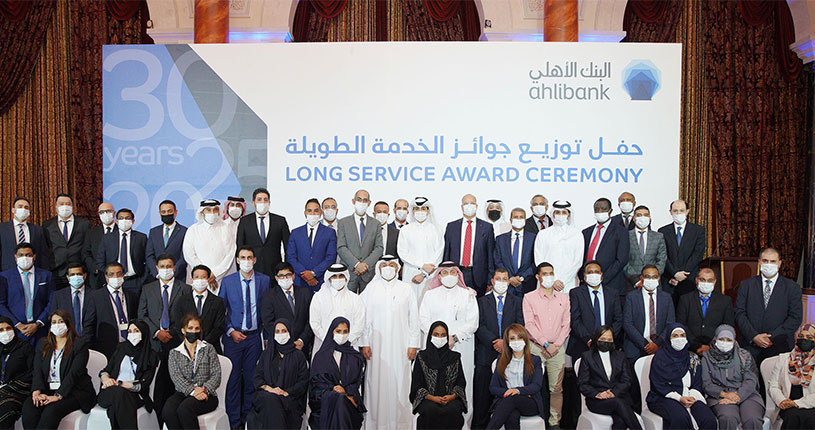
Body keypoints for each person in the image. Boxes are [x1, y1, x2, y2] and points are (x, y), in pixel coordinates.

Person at [359, 255, 421, 430]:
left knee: (401, 384)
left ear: (398, 268)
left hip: (401, 347)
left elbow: (414, 319)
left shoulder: (406, 289)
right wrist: (364, 342)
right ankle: (375, 424)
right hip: (376, 347)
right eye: (384, 264)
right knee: (375, 385)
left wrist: (413, 344)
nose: (388, 268)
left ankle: (401, 425)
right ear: (379, 268)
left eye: (392, 264)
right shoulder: (371, 289)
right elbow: (363, 318)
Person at [419, 262, 479, 424]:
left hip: (461, 346)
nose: (449, 275)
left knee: (462, 382)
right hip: (436, 346)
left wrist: (455, 338)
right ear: (439, 275)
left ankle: (463, 424)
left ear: (458, 274)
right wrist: (440, 339)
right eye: (445, 272)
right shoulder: (430, 295)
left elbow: (473, 322)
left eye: (453, 272)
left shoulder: (467, 294)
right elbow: (423, 319)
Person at [220, 246, 270, 429]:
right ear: (237, 260)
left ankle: (248, 420)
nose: (246, 261)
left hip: (254, 338)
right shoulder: (228, 281)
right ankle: (234, 423)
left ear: (254, 260)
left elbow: (267, 309)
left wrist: (266, 337)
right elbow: (220, 310)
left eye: (250, 257)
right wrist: (230, 330)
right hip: (233, 338)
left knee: (251, 381)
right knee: (233, 382)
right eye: (243, 257)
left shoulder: (264, 280)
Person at [136, 254, 190, 425]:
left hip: (176, 342)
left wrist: (172, 332)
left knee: (173, 385)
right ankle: (156, 422)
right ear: (157, 268)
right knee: (156, 386)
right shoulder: (147, 288)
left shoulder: (185, 288)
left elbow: (188, 317)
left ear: (174, 268)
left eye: (169, 266)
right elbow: (142, 315)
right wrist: (157, 332)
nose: (166, 269)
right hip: (154, 343)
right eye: (162, 266)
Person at [22, 310, 95, 429]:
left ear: (68, 324)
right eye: (54, 322)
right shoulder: (43, 344)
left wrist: (58, 395)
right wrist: (36, 391)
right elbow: (37, 370)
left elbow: (74, 374)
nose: (57, 325)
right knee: (29, 408)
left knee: (51, 412)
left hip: (73, 391)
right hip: (48, 389)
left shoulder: (79, 345)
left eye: (61, 321)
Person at [473, 268, 525, 429]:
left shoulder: (517, 301)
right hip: (486, 352)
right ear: (492, 281)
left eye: (504, 279)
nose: (501, 282)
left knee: (504, 394)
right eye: (498, 278)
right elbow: (478, 325)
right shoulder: (481, 301)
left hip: (509, 352)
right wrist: (494, 341)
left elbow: (519, 325)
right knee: (482, 395)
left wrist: (506, 342)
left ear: (509, 282)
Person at [522, 261, 570, 429]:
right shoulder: (529, 297)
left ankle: (554, 422)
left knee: (556, 389)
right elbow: (529, 325)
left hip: (557, 349)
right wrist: (545, 343)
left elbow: (566, 324)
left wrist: (556, 345)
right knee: (533, 386)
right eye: (545, 274)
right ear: (538, 277)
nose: (549, 277)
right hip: (536, 348)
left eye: (551, 273)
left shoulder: (564, 298)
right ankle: (537, 419)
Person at [735, 247, 803, 363]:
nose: (769, 264)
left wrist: (772, 338)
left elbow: (795, 318)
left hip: (779, 347)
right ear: (759, 262)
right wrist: (754, 336)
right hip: (749, 346)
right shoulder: (746, 285)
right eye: (765, 261)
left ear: (779, 263)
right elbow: (739, 313)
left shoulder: (792, 287)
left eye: (773, 261)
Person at [646, 323, 718, 430]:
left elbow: (697, 383)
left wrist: (691, 397)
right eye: (675, 336)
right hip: (664, 397)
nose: (679, 339)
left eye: (682, 335)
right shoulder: (660, 358)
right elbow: (658, 385)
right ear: (668, 338)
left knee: (708, 418)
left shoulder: (693, 358)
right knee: (680, 418)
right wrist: (679, 398)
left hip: (690, 395)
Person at [246, 318, 309, 430]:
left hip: (290, 398)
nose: (281, 334)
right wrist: (271, 390)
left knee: (272, 403)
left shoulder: (298, 356)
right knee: (270, 399)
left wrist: (286, 392)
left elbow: (303, 382)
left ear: (290, 332)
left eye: (284, 331)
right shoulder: (266, 354)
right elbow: (257, 378)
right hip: (266, 395)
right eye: (277, 331)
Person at [163, 313, 221, 430]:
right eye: (190, 328)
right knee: (168, 411)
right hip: (182, 393)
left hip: (207, 394)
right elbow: (176, 377)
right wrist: (193, 391)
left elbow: (216, 375)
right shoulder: (174, 353)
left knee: (185, 409)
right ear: (183, 330)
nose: (194, 331)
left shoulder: (208, 348)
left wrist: (204, 390)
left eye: (197, 328)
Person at [700, 324, 764, 430]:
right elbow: (706, 384)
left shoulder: (744, 356)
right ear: (715, 339)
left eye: (729, 340)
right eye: (721, 339)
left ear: (734, 341)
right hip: (720, 397)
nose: (725, 342)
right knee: (728, 418)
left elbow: (751, 380)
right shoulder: (706, 357)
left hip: (747, 395)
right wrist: (725, 394)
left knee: (752, 419)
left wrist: (738, 396)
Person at [578, 325, 642, 430]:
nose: (606, 342)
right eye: (603, 339)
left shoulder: (620, 356)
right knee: (619, 404)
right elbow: (583, 384)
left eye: (609, 340)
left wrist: (614, 393)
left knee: (621, 420)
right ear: (596, 339)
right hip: (597, 400)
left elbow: (627, 381)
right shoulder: (587, 356)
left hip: (618, 396)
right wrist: (598, 394)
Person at [97, 320, 158, 430]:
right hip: (110, 392)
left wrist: (120, 384)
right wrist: (105, 379)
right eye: (129, 331)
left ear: (144, 333)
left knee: (119, 399)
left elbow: (143, 385)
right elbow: (106, 370)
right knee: (119, 394)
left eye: (136, 331)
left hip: (134, 394)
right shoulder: (121, 348)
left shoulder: (150, 355)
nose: (132, 334)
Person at [309, 317, 366, 430]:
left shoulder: (355, 357)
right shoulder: (321, 356)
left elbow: (356, 383)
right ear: (332, 332)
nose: (342, 335)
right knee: (339, 400)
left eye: (345, 331)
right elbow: (316, 384)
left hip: (349, 398)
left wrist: (346, 393)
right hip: (323, 400)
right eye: (338, 331)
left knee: (341, 401)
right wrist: (333, 388)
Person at [410, 321, 466, 430]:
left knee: (453, 410)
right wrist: (432, 398)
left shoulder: (455, 357)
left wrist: (452, 396)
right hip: (428, 398)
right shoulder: (422, 357)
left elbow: (460, 381)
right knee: (430, 410)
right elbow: (417, 384)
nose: (439, 338)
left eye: (443, 335)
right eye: (436, 335)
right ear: (430, 336)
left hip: (450, 398)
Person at [486, 324, 544, 430]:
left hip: (529, 402)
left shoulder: (535, 360)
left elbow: (536, 385)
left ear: (525, 339)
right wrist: (508, 392)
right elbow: (493, 387)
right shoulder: (501, 360)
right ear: (507, 342)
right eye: (512, 338)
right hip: (506, 401)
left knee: (512, 399)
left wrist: (517, 391)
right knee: (512, 415)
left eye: (520, 337)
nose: (516, 341)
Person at [0, 242, 55, 344]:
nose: (24, 258)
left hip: (40, 330)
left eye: (28, 255)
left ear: (34, 257)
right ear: (15, 257)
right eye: (21, 255)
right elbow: (1, 304)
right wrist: (18, 324)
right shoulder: (5, 277)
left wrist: (38, 323)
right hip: (16, 330)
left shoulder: (46, 276)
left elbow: (52, 301)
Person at [568, 260, 623, 359]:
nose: (593, 275)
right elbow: (575, 320)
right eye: (590, 272)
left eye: (596, 272)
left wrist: (607, 338)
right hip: (582, 344)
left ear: (601, 275)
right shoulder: (576, 293)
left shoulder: (612, 293)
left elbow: (618, 319)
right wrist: (589, 340)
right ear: (584, 276)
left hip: (608, 344)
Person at [443, 194, 495, 297]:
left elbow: (490, 255)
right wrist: (445, 273)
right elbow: (446, 253)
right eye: (466, 203)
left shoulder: (487, 227)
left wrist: (490, 279)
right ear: (462, 207)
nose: (469, 206)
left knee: (478, 305)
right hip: (455, 274)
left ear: (477, 206)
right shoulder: (451, 227)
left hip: (479, 276)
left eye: (472, 203)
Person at [82, 262, 138, 357]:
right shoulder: (95, 297)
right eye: (111, 274)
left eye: (119, 273)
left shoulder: (131, 295)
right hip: (105, 349)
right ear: (106, 277)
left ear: (123, 275)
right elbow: (89, 325)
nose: (116, 277)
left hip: (129, 346)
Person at [623, 265, 675, 363]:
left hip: (660, 348)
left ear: (659, 278)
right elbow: (627, 324)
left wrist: (657, 344)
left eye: (654, 277)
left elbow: (670, 323)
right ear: (641, 278)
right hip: (635, 348)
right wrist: (645, 344)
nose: (651, 280)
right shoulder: (631, 297)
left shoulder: (666, 298)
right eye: (647, 276)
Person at [767, 323, 815, 429]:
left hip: (810, 405)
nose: (804, 340)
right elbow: (773, 385)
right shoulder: (783, 358)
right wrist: (782, 401)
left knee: (809, 418)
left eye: (809, 337)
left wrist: (796, 403)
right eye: (801, 336)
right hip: (786, 405)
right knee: (792, 415)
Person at [309, 264, 366, 353]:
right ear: (329, 279)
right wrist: (328, 339)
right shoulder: (318, 297)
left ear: (346, 278)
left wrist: (347, 340)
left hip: (349, 345)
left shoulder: (355, 298)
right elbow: (315, 323)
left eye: (341, 276)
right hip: (324, 344)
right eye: (334, 276)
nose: (338, 279)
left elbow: (359, 323)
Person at [677, 268, 735, 355]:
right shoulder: (685, 299)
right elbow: (681, 324)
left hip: (715, 349)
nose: (706, 283)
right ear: (697, 280)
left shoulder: (725, 301)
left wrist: (711, 347)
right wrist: (697, 346)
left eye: (710, 280)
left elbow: (727, 326)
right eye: (703, 279)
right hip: (689, 348)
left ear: (715, 282)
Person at [657, 199, 706, 303]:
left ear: (687, 211)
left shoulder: (698, 230)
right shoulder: (662, 231)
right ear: (670, 212)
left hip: (689, 280)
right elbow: (663, 256)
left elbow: (697, 254)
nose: (678, 213)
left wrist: (682, 275)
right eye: (675, 211)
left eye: (681, 210)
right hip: (669, 281)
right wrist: (674, 273)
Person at [183, 199, 237, 293]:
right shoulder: (193, 230)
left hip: (222, 278)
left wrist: (214, 274)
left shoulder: (225, 228)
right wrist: (205, 275)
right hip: (200, 280)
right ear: (202, 212)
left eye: (215, 210)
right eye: (208, 210)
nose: (212, 213)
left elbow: (230, 254)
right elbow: (189, 255)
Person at [336, 190, 384, 294]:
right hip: (349, 272)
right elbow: (341, 247)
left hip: (368, 274)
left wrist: (365, 265)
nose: (362, 203)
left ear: (369, 203)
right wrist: (356, 264)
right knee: (347, 303)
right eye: (359, 199)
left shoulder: (376, 224)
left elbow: (379, 248)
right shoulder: (343, 222)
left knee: (368, 303)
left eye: (365, 200)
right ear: (353, 201)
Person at [261, 262, 314, 355]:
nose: (285, 278)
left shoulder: (305, 293)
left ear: (293, 276)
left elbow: (311, 319)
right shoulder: (269, 295)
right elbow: (268, 322)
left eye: (288, 275)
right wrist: (284, 339)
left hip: (302, 345)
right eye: (281, 276)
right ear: (276, 278)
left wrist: (301, 340)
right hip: (280, 345)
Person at [397, 197, 444, 301]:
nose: (420, 211)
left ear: (428, 211)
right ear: (412, 211)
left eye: (423, 208)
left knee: (429, 303)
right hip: (410, 273)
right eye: (417, 209)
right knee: (410, 303)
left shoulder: (437, 229)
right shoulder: (405, 230)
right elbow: (402, 253)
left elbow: (439, 254)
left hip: (430, 275)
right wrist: (422, 265)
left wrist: (424, 273)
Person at [236, 188, 290, 278]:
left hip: (274, 270)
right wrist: (241, 269)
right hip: (252, 270)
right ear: (253, 203)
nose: (263, 202)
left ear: (269, 202)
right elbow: (240, 246)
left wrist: (286, 269)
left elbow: (287, 247)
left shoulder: (280, 221)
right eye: (259, 199)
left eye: (265, 199)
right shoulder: (245, 221)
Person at [171, 265, 225, 354]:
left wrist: (204, 343)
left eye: (203, 277)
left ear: (208, 280)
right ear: (192, 279)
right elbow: (177, 324)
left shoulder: (217, 301)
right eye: (196, 277)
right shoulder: (181, 300)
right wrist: (189, 341)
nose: (200, 280)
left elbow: (219, 326)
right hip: (187, 347)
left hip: (211, 347)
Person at [286, 198, 337, 293]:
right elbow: (291, 257)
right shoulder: (295, 233)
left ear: (321, 212)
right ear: (305, 213)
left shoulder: (330, 232)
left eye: (316, 210)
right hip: (300, 282)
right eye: (309, 211)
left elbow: (330, 258)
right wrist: (305, 275)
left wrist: (313, 273)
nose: (313, 214)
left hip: (321, 281)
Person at [581, 197, 630, 296]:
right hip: (587, 282)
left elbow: (621, 260)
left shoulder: (621, 232)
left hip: (611, 284)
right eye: (597, 209)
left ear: (610, 211)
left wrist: (602, 278)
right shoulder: (586, 232)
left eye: (603, 209)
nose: (599, 211)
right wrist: (584, 277)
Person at [533, 200, 584, 293]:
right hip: (546, 281)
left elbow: (577, 262)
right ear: (553, 214)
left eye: (564, 212)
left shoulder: (576, 234)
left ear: (569, 214)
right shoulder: (543, 234)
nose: (560, 215)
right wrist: (552, 280)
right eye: (557, 212)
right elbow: (539, 259)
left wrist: (563, 280)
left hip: (568, 282)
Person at [96, 209, 148, 298]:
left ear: (133, 221)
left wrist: (142, 280)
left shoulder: (141, 237)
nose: (124, 220)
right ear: (116, 221)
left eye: (127, 218)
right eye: (121, 218)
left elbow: (147, 259)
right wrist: (109, 278)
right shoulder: (107, 238)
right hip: (113, 281)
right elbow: (100, 261)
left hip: (135, 281)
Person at [42, 194, 90, 290]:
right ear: (56, 207)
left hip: (78, 272)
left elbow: (87, 246)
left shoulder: (83, 224)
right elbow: (45, 247)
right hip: (56, 272)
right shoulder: (47, 225)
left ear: (72, 206)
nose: (65, 206)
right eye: (61, 204)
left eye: (68, 204)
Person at [494, 208, 537, 297]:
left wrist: (521, 277)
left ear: (525, 220)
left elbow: (535, 261)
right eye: (516, 217)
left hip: (527, 285)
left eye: (521, 217)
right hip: (506, 285)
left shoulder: (533, 238)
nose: (518, 219)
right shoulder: (500, 239)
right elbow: (497, 260)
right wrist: (509, 277)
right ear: (510, 220)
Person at [0, 316, 34, 429]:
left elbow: (31, 373)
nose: (5, 332)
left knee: (5, 409)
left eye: (8, 328)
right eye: (1, 330)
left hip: (18, 392)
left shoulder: (25, 347)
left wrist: (8, 387)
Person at [623, 205, 667, 290]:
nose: (642, 218)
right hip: (632, 284)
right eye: (639, 215)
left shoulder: (658, 236)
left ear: (649, 218)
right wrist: (636, 280)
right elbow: (623, 260)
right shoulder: (626, 236)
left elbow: (662, 259)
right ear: (634, 218)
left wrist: (652, 277)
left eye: (646, 215)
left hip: (654, 283)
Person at [0, 196, 49, 272]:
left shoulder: (37, 230)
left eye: (26, 207)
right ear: (13, 210)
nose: (23, 209)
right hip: (7, 272)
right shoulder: (2, 228)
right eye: (20, 207)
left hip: (33, 272)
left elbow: (43, 255)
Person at [145, 200, 188, 281]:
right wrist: (157, 273)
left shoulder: (184, 231)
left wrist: (173, 273)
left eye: (169, 211)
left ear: (175, 212)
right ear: (160, 213)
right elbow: (149, 255)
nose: (167, 214)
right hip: (157, 278)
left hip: (178, 277)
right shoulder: (153, 232)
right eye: (163, 212)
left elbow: (184, 256)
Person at [49, 262, 89, 337]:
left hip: (90, 339)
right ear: (67, 277)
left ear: (85, 276)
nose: (76, 277)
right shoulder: (58, 296)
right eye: (72, 275)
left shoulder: (94, 295)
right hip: (66, 338)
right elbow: (53, 319)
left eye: (79, 274)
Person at [83, 202, 117, 290]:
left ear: (114, 213)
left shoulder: (122, 231)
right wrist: (95, 268)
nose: (105, 214)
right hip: (97, 277)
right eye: (102, 212)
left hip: (117, 276)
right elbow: (86, 253)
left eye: (108, 211)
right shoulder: (92, 232)